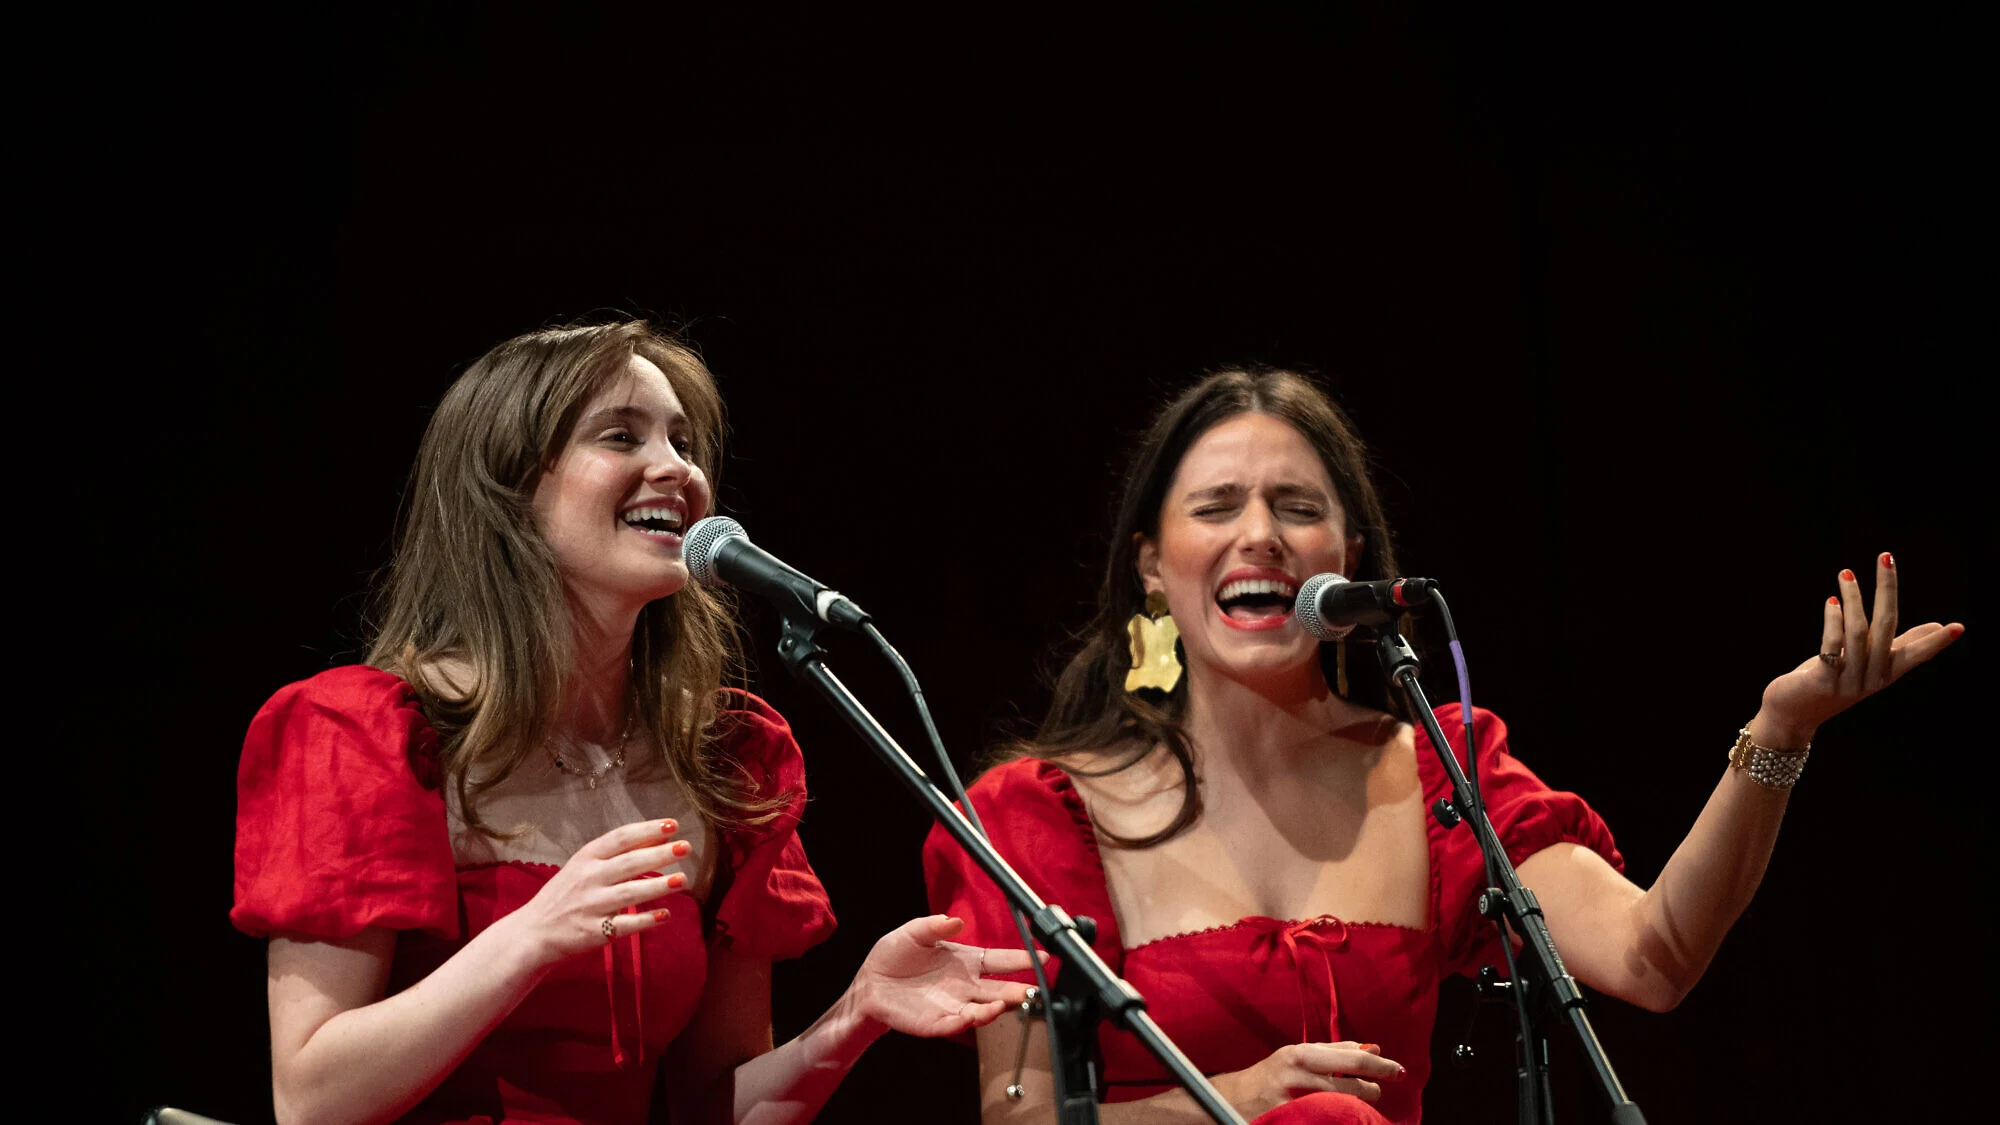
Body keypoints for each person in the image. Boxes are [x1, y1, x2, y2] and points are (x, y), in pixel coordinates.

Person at [922, 367, 1964, 1125]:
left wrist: (1777, 731)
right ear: (1151, 565)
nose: (1260, 535)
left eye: (1296, 508)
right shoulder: (1038, 811)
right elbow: (1022, 1118)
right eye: (1214, 508)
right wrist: (1232, 1102)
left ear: (1351, 561)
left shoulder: (1435, 773)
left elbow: (1652, 957)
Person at [232, 321, 1038, 1125]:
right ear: (509, 488)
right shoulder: (363, 735)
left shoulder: (724, 762)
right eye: (621, 435)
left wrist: (852, 1016)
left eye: (684, 443)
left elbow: (708, 1109)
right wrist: (531, 936)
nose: (677, 470)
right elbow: (311, 1097)